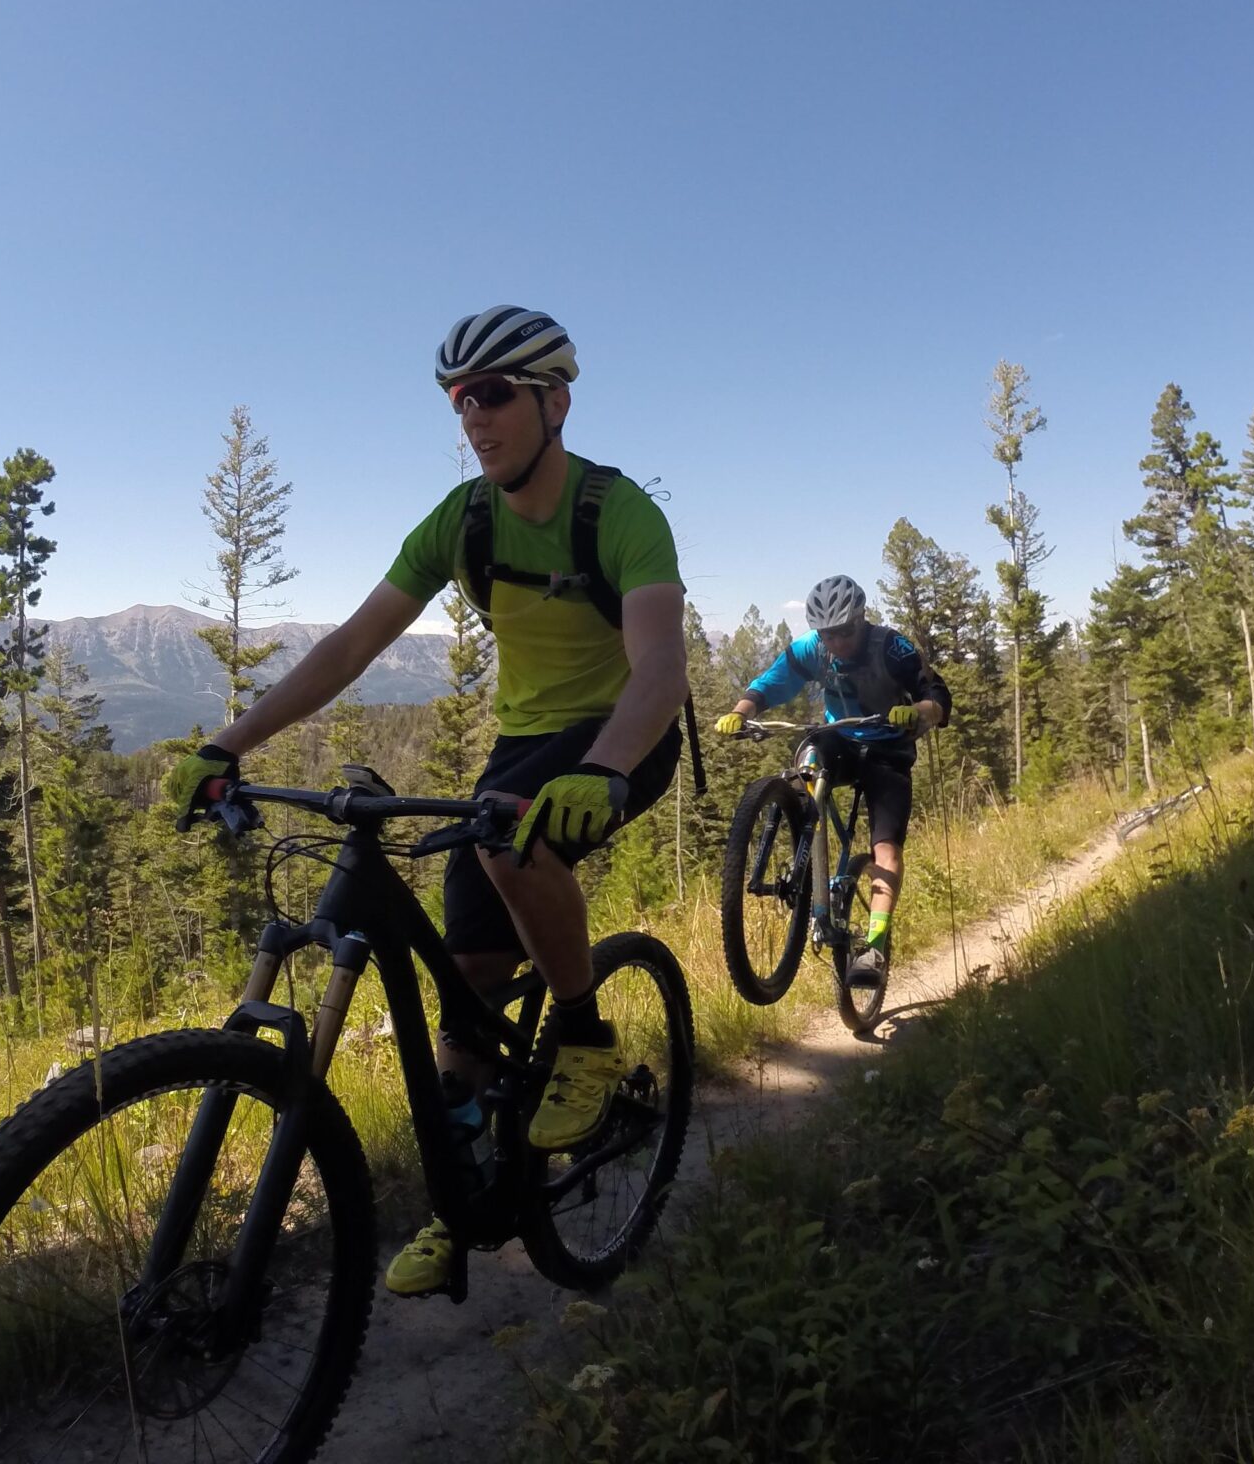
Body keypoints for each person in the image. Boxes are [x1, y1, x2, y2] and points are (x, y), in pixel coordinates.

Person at [162, 306, 690, 1300]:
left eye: (493, 395)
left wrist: (609, 766)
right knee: (465, 989)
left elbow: (660, 663)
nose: (474, 418)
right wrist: (227, 743)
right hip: (525, 745)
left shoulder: (617, 510)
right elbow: (348, 647)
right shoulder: (463, 522)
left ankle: (583, 1035)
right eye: (459, 400)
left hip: (626, 731)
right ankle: (469, 1203)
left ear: (554, 402)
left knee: (512, 840)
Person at [714, 574, 948, 986]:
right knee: (810, 746)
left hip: (888, 749)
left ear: (861, 619)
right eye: (828, 634)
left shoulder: (891, 647)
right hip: (839, 739)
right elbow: (773, 681)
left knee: (885, 846)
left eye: (844, 632)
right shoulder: (813, 649)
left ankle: (873, 947)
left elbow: (936, 694)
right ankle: (802, 829)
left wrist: (920, 711)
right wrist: (742, 710)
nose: (836, 642)